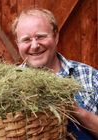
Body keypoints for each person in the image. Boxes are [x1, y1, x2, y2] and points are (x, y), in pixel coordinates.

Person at [11, 8, 98, 139]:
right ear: (17, 43)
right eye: (26, 40)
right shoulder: (10, 84)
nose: (34, 45)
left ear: (56, 36)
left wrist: (77, 111)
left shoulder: (89, 76)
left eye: (41, 37)